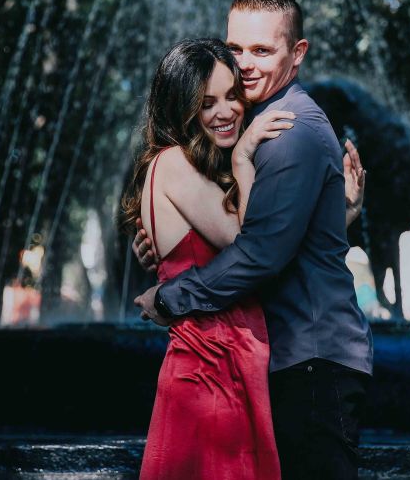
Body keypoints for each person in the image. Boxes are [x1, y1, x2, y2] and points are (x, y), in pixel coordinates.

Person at [134, 0, 374, 480]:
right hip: (268, 359)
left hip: (310, 359)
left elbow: (261, 253)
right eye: (236, 48)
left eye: (262, 50)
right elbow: (276, 234)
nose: (244, 64)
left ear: (297, 53)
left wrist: (171, 296)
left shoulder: (288, 132)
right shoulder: (248, 131)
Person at [122, 38, 292, 479]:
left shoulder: (194, 169)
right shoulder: (173, 163)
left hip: (224, 366)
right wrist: (244, 159)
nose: (226, 111)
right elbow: (250, 243)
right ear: (182, 109)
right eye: (206, 103)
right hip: (209, 373)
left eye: (232, 96)